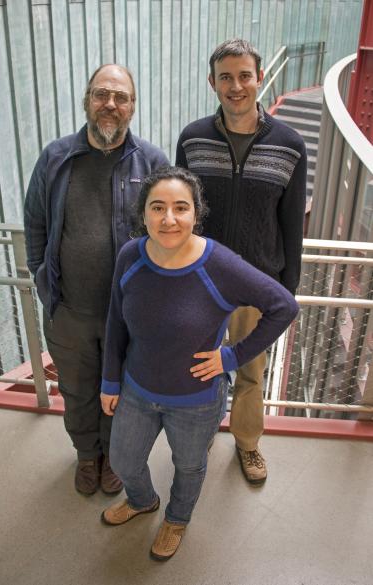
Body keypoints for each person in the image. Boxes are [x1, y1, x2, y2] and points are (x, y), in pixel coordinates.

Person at [99, 166, 299, 561]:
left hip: (195, 400)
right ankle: (142, 500)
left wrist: (232, 356)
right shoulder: (130, 256)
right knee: (123, 459)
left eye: (180, 208)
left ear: (195, 213)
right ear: (144, 214)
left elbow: (283, 306)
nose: (168, 219)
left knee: (189, 467)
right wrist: (109, 380)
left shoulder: (218, 264)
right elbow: (116, 320)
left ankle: (177, 518)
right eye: (157, 208)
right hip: (137, 389)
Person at [24, 64, 169, 496]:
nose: (111, 104)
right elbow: (35, 223)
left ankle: (114, 458)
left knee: (121, 394)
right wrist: (40, 275)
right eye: (101, 94)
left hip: (127, 316)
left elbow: (170, 232)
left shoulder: (153, 162)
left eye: (121, 97)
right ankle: (87, 456)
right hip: (69, 312)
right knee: (77, 391)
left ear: (133, 107)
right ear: (87, 100)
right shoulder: (55, 157)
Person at [176, 39, 307, 485]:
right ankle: (203, 430)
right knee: (203, 367)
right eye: (226, 77)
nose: (236, 86)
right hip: (202, 285)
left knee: (250, 372)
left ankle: (248, 444)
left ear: (260, 79)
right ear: (212, 82)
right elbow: (180, 212)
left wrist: (285, 290)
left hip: (256, 284)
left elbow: (292, 225)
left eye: (244, 76)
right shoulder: (192, 139)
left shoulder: (289, 145)